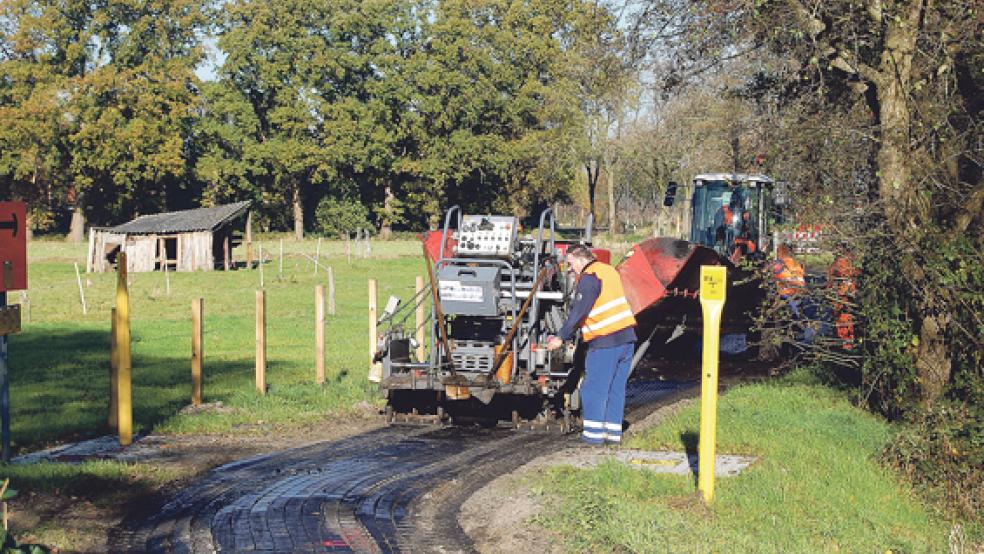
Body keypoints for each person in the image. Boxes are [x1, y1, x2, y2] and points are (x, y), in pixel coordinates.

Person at [546, 244, 637, 445]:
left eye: (570, 264)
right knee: (615, 388)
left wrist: (561, 337)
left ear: (579, 259)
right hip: (627, 339)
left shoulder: (590, 277)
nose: (570, 269)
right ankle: (613, 436)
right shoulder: (609, 271)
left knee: (594, 388)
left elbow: (579, 311)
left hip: (606, 341)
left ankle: (593, 437)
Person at [827, 243, 858, 349]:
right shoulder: (852, 261)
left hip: (842, 296)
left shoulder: (840, 263)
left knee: (843, 318)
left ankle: (847, 342)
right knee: (847, 318)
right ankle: (848, 340)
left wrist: (830, 289)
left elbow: (832, 278)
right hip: (848, 294)